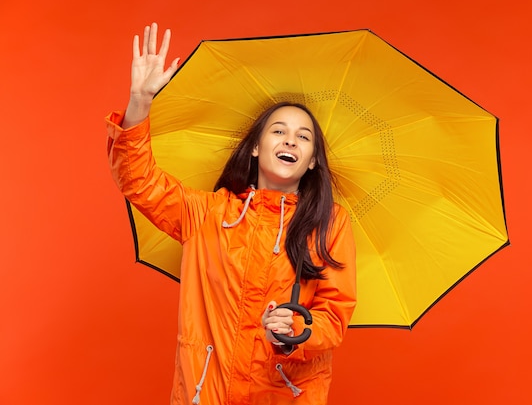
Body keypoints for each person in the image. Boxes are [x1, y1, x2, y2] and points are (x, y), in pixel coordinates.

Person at [105, 23, 357, 405]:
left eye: (304, 137)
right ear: (255, 148)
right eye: (278, 131)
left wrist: (295, 330)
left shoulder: (330, 223)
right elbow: (139, 181)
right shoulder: (207, 214)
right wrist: (140, 104)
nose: (290, 140)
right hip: (205, 394)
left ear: (311, 162)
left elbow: (334, 315)